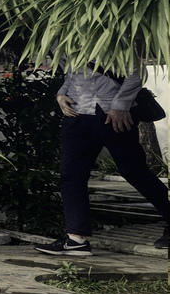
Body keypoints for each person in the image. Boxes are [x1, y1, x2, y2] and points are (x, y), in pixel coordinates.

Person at [36, 61, 170, 256]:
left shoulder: (114, 34)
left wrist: (121, 105)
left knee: (133, 171)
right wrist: (61, 94)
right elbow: (69, 73)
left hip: (114, 113)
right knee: (71, 175)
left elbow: (136, 71)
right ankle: (76, 240)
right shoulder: (61, 39)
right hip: (77, 113)